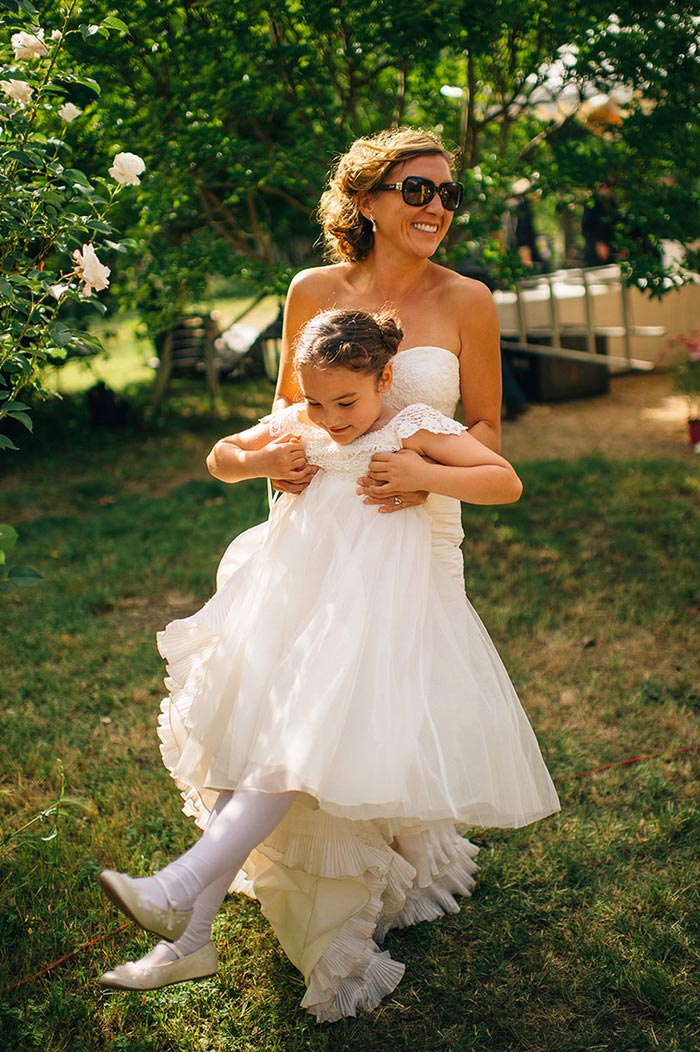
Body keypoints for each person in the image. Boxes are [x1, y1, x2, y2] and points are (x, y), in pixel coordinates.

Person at [98, 309, 560, 1021]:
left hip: (369, 620)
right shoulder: (301, 422)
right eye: (317, 401)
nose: (331, 417)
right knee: (251, 739)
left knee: (292, 744)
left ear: (383, 382)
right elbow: (222, 456)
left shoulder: (409, 428)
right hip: (290, 605)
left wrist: (425, 472)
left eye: (347, 401)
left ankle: (177, 889)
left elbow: (505, 480)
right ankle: (188, 938)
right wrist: (262, 461)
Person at [268, 127, 502, 587]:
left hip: (419, 526)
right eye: (416, 190)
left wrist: (427, 475)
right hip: (321, 518)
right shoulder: (311, 289)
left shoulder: (469, 300)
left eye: (447, 194)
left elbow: (486, 430)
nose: (435, 208)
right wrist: (280, 458)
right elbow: (287, 403)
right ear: (367, 202)